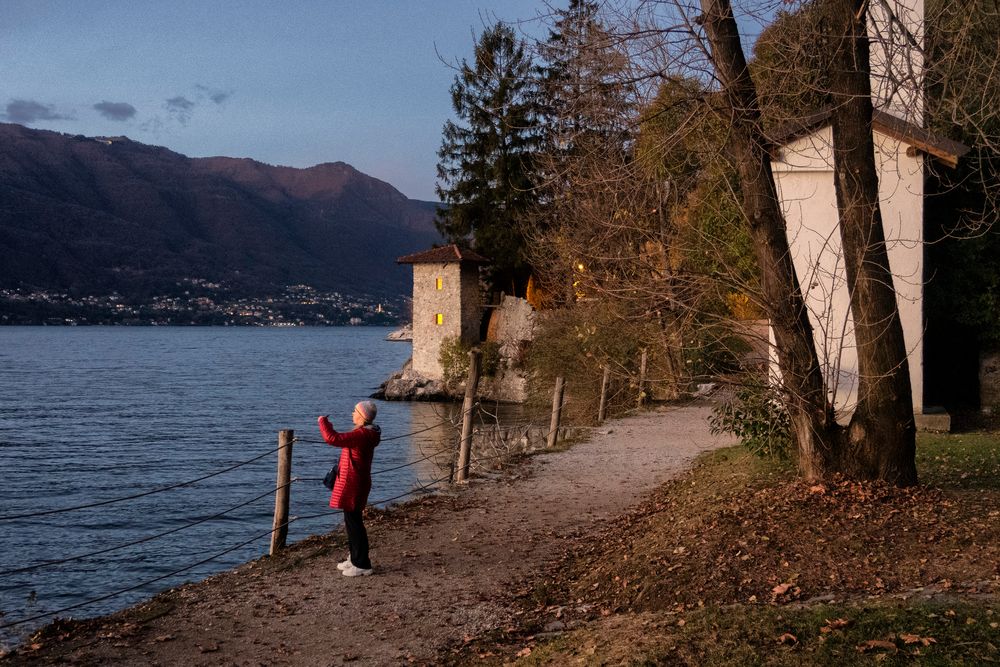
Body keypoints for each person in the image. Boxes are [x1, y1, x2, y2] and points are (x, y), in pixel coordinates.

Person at [317, 400, 381, 577]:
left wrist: (323, 422)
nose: (352, 413)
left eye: (354, 411)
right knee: (352, 521)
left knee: (354, 523)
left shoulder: (361, 435)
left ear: (362, 416)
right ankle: (355, 558)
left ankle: (362, 564)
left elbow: (332, 438)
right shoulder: (367, 434)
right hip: (355, 481)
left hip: (353, 483)